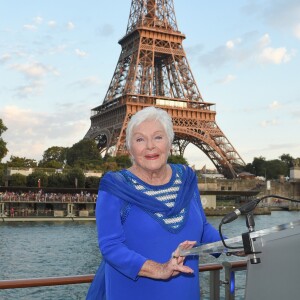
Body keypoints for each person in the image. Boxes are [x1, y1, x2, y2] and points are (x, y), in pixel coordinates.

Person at [87, 106, 222, 300]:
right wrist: (160, 269)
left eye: (158, 137)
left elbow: (202, 229)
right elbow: (110, 246)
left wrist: (231, 245)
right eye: (140, 139)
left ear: (170, 143)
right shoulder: (115, 186)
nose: (150, 146)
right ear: (130, 148)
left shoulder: (187, 178)